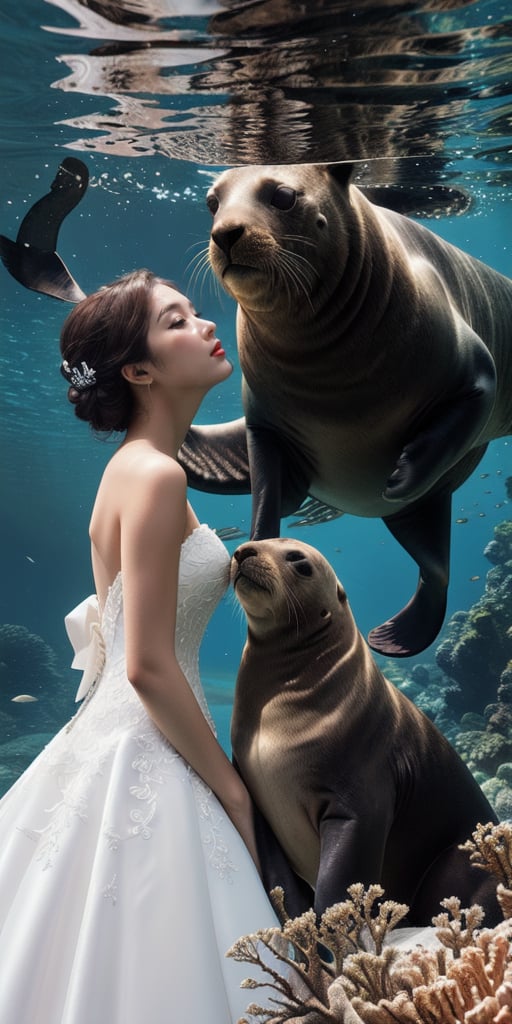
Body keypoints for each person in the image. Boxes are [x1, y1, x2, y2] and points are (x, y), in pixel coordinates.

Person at [0, 269, 280, 1023]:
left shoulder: (131, 470)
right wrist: (228, 785)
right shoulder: (155, 476)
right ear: (139, 369)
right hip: (152, 743)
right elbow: (146, 663)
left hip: (115, 737)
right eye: (178, 320)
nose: (208, 325)